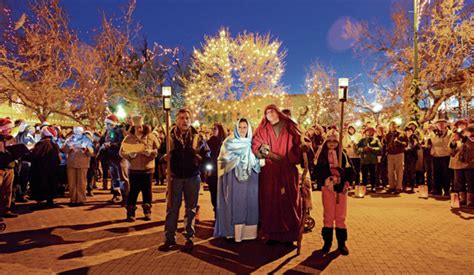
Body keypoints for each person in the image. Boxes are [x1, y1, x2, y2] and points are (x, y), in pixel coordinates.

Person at [252, 104, 306, 246]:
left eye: (272, 111)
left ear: (277, 112)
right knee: (270, 202)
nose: (269, 113)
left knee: (289, 201)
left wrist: (302, 150)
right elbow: (256, 145)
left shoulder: (289, 125)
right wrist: (269, 154)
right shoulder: (263, 129)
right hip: (270, 172)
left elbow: (299, 142)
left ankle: (289, 236)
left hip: (287, 171)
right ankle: (272, 235)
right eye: (267, 112)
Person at [159, 109, 210, 252]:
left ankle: (189, 238)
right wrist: (163, 158)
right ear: (177, 120)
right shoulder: (169, 138)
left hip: (192, 177)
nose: (185, 120)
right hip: (174, 178)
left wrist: (199, 159)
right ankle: (169, 238)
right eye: (182, 118)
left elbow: (207, 155)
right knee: (172, 209)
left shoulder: (197, 137)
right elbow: (158, 154)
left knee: (191, 209)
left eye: (187, 118)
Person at [214, 118, 261, 242]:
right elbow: (222, 160)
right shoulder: (229, 142)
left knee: (250, 205)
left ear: (248, 128)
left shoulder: (253, 143)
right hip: (234, 178)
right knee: (236, 204)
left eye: (245, 127)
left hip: (251, 179)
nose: (242, 130)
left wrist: (257, 160)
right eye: (240, 127)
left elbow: (258, 160)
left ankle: (249, 234)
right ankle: (234, 234)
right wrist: (236, 160)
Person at [315, 129, 353, 256]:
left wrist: (344, 179)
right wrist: (327, 178)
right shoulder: (322, 155)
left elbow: (351, 171)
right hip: (328, 188)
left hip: (341, 189)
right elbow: (318, 171)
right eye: (329, 141)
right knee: (328, 216)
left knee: (340, 216)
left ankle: (342, 243)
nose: (332, 144)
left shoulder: (343, 154)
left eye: (334, 141)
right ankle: (327, 243)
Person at [120, 115, 160, 221]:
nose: (139, 129)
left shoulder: (151, 136)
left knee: (147, 191)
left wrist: (151, 152)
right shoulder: (128, 138)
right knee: (133, 191)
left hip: (148, 169)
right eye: (137, 127)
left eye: (141, 126)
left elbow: (157, 149)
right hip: (134, 169)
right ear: (133, 127)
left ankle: (147, 211)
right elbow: (122, 152)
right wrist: (130, 155)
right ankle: (131, 212)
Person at [99, 114, 129, 205]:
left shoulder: (120, 131)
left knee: (123, 178)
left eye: (107, 123)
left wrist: (112, 145)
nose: (106, 125)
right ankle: (117, 195)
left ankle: (126, 197)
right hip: (111, 157)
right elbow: (103, 141)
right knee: (114, 178)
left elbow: (122, 143)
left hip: (119, 158)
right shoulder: (108, 132)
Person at [28, 126, 60, 207]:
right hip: (52, 169)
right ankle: (49, 200)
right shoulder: (54, 144)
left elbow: (35, 155)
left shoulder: (42, 143)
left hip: (41, 168)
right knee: (50, 184)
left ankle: (41, 199)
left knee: (42, 183)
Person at [63, 126, 94, 206]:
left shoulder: (87, 139)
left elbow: (92, 152)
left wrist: (85, 149)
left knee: (81, 183)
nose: (77, 133)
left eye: (79, 131)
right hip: (71, 164)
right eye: (76, 131)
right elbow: (64, 150)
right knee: (72, 183)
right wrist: (69, 147)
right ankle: (73, 199)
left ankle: (81, 199)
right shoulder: (70, 139)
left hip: (82, 164)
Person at [428, 113, 452, 196]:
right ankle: (437, 189)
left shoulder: (450, 133)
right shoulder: (432, 134)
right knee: (436, 174)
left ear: (446, 124)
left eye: (442, 123)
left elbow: (448, 144)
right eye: (439, 123)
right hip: (436, 156)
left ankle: (446, 189)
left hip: (446, 156)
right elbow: (430, 143)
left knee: (446, 174)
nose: (441, 125)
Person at [206, 123, 226, 217]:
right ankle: (216, 213)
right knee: (213, 193)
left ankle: (221, 214)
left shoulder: (224, 142)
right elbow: (207, 156)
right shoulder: (209, 142)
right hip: (213, 171)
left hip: (222, 171)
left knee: (222, 194)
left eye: (215, 129)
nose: (213, 130)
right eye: (212, 129)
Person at [0, 118, 18, 218]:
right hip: (0, 168)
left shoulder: (11, 138)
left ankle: (6, 210)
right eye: (8, 128)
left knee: (8, 190)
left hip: (10, 167)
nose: (10, 130)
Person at [385, 121, 408, 194]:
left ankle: (399, 187)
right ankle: (391, 186)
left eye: (394, 126)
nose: (393, 127)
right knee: (390, 171)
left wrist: (399, 142)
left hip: (399, 153)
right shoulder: (387, 135)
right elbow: (385, 144)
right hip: (390, 154)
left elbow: (406, 144)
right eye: (391, 126)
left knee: (399, 171)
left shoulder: (401, 134)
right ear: (389, 127)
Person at [357, 127, 381, 192]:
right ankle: (364, 186)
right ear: (365, 132)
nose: (370, 132)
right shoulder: (362, 140)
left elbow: (380, 149)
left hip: (373, 160)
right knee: (364, 174)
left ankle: (373, 186)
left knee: (373, 174)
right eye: (368, 131)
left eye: (371, 131)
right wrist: (363, 149)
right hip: (364, 160)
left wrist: (372, 149)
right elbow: (357, 149)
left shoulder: (376, 140)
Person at [403, 127, 419, 192]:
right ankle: (404, 185)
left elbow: (416, 146)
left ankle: (412, 186)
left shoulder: (414, 138)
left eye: (410, 131)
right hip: (405, 156)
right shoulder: (404, 138)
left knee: (412, 171)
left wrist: (411, 147)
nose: (408, 133)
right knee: (405, 171)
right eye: (407, 131)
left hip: (412, 156)